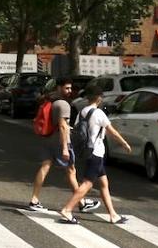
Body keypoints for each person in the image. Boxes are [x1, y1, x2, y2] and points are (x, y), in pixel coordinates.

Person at [59, 84, 131, 226]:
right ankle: (67, 209)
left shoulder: (82, 112)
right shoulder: (99, 114)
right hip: (96, 153)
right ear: (99, 98)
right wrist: (125, 144)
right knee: (87, 184)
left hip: (87, 151)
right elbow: (112, 132)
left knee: (104, 183)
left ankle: (113, 215)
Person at [27, 78, 99, 214]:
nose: (70, 91)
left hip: (47, 138)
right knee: (71, 171)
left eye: (70, 88)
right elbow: (63, 126)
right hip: (60, 141)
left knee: (45, 167)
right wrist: (65, 147)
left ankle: (34, 200)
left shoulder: (49, 99)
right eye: (67, 88)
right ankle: (82, 203)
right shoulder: (63, 104)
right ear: (59, 88)